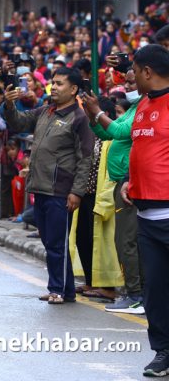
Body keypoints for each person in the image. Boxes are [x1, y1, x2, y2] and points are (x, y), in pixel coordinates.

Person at [4, 66, 94, 305]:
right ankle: (63, 289)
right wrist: (10, 105)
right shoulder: (46, 111)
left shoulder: (79, 118)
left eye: (60, 83)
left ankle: (59, 289)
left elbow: (85, 158)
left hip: (60, 190)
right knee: (49, 241)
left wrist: (77, 191)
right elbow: (19, 123)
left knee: (57, 243)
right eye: (53, 82)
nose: (54, 87)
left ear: (74, 89)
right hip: (40, 187)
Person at [120, 44, 169, 377]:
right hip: (145, 218)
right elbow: (143, 148)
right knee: (155, 291)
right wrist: (129, 180)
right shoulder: (140, 106)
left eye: (135, 71)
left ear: (147, 72)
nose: (131, 76)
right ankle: (163, 352)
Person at [83, 64, 144, 314]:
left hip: (131, 185)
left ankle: (136, 295)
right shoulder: (132, 109)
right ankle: (135, 293)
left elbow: (120, 131)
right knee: (123, 241)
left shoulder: (142, 108)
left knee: (127, 242)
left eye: (132, 82)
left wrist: (98, 111)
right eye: (126, 83)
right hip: (122, 183)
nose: (128, 87)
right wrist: (91, 114)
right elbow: (107, 134)